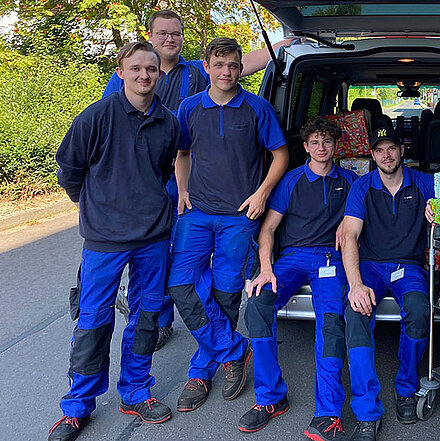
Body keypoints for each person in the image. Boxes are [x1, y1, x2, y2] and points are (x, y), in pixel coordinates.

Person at [101, 9, 296, 350]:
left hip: (224, 205)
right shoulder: (131, 77)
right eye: (162, 33)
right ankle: (220, 345)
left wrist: (286, 43)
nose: (169, 39)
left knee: (223, 283)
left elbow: (241, 62)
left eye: (175, 33)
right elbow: (126, 132)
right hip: (160, 186)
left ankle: (211, 356)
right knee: (170, 273)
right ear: (149, 36)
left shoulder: (197, 73)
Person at [49, 41, 179, 441]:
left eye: (151, 70)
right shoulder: (95, 117)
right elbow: (70, 171)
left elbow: (161, 172)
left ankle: (135, 392)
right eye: (136, 68)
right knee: (93, 320)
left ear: (160, 74)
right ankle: (77, 406)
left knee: (146, 316)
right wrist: (95, 206)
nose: (144, 75)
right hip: (104, 239)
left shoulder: (169, 123)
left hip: (153, 236)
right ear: (121, 72)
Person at [167, 37, 289, 413]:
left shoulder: (257, 107)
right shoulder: (189, 107)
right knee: (180, 283)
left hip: (239, 216)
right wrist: (182, 189)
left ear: (240, 67)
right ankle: (234, 349)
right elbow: (181, 152)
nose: (227, 72)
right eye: (219, 65)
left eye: (234, 65)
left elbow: (280, 154)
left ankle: (201, 370)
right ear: (206, 66)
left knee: (225, 290)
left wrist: (262, 194)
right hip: (198, 213)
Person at [240, 117, 358, 439]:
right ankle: (270, 398)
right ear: (305, 147)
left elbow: (360, 221)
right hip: (291, 259)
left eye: (327, 142)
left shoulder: (350, 181)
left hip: (330, 260)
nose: (321, 148)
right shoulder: (290, 181)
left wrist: (346, 228)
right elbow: (268, 229)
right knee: (258, 305)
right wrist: (265, 268)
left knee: (332, 324)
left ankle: (329, 414)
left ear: (336, 146)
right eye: (315, 143)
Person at [341, 127, 435, 441]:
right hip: (369, 267)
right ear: (372, 154)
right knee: (355, 314)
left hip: (408, 267)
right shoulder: (361, 186)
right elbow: (350, 236)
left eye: (392, 148)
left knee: (420, 311)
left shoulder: (423, 182)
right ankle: (367, 411)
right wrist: (355, 285)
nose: (387, 155)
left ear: (402, 150)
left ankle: (406, 390)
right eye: (379, 149)